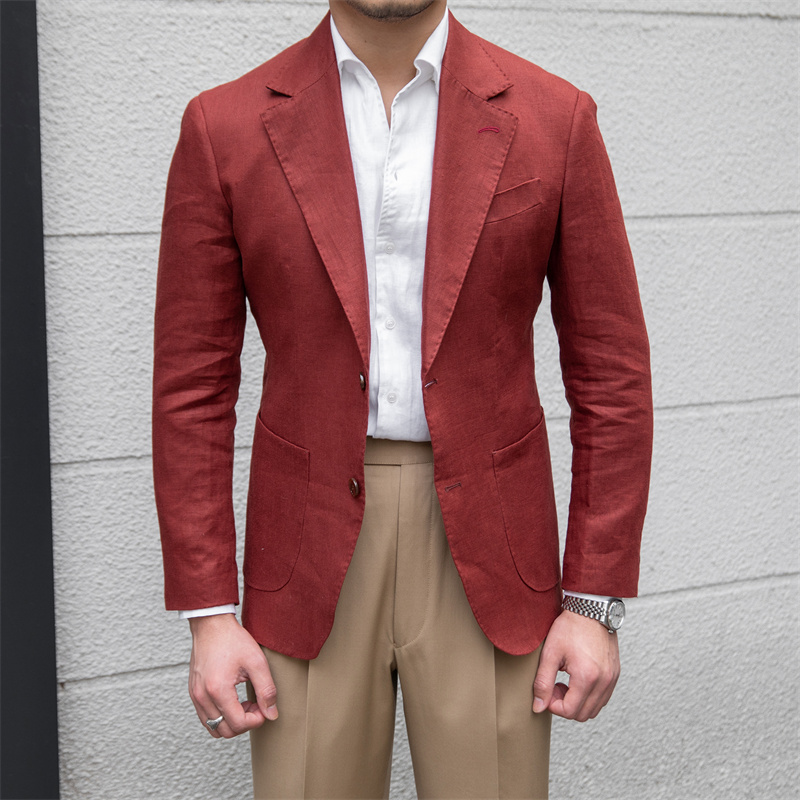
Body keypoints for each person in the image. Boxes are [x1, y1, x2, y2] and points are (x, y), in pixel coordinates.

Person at [153, 1, 653, 797]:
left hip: (492, 548)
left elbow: (612, 374)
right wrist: (209, 613)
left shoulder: (556, 117)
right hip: (305, 548)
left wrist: (594, 603)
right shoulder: (225, 126)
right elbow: (192, 387)